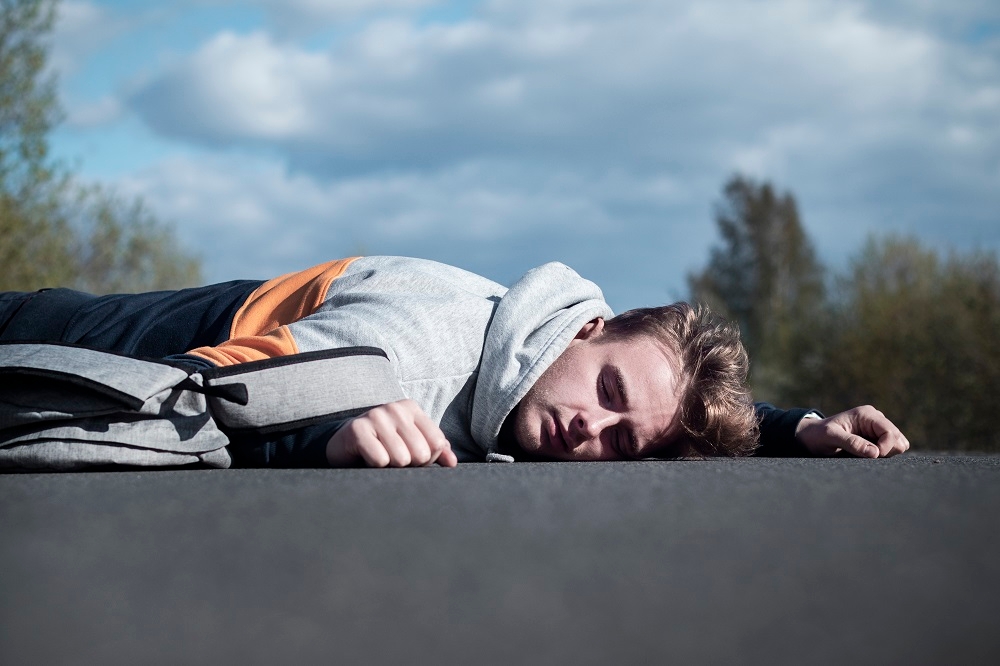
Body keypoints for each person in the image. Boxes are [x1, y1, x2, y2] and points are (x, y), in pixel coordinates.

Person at [0, 256, 908, 468]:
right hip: (40, 334)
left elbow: (655, 410)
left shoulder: (534, 367)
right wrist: (330, 428)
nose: (593, 429)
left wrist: (797, 428)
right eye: (605, 392)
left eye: (623, 443)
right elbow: (225, 383)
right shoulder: (426, 337)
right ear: (587, 327)